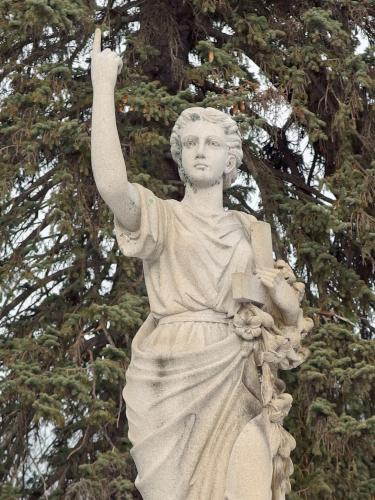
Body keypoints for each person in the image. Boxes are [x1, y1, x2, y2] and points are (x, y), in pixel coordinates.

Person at [91, 28, 310, 500]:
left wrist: (281, 300)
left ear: (230, 159)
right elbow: (112, 187)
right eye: (191, 143)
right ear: (179, 156)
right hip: (168, 369)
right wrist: (102, 88)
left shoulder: (252, 232)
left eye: (212, 143)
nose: (201, 151)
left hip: (236, 370)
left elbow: (285, 325)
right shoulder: (162, 217)